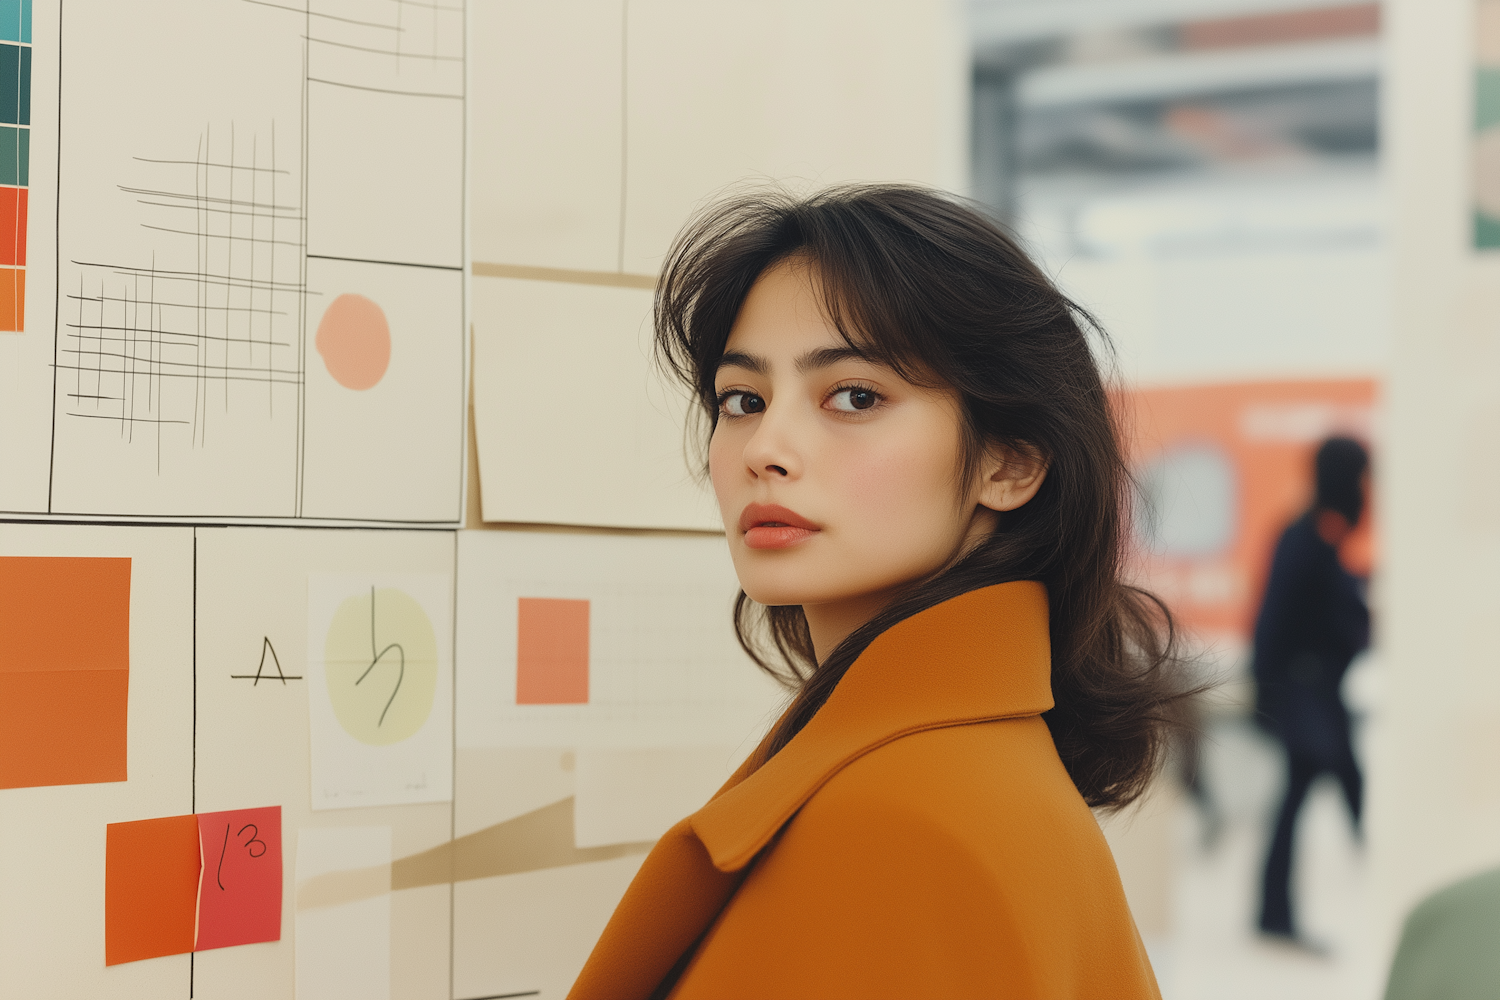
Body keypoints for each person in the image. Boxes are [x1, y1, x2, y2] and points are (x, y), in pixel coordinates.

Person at [566, 185, 1183, 999]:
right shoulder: (971, 769)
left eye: (854, 396)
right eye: (742, 399)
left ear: (1011, 463)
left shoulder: (897, 821)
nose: (767, 448)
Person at [1253, 436, 1371, 944]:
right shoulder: (1306, 541)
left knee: (1312, 792)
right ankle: (1276, 913)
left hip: (1317, 699)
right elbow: (1274, 621)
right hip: (1303, 699)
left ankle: (1276, 912)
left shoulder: (1323, 540)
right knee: (1316, 789)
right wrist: (1266, 693)